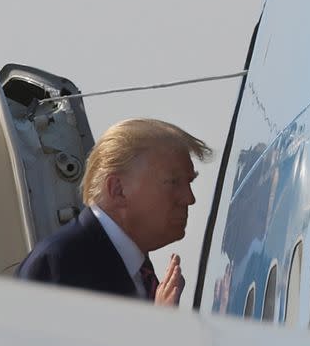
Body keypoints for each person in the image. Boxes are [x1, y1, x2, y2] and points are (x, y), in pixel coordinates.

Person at [17, 118, 212, 305]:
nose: (189, 198)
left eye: (188, 183)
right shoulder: (58, 265)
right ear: (117, 189)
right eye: (173, 182)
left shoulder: (134, 268)